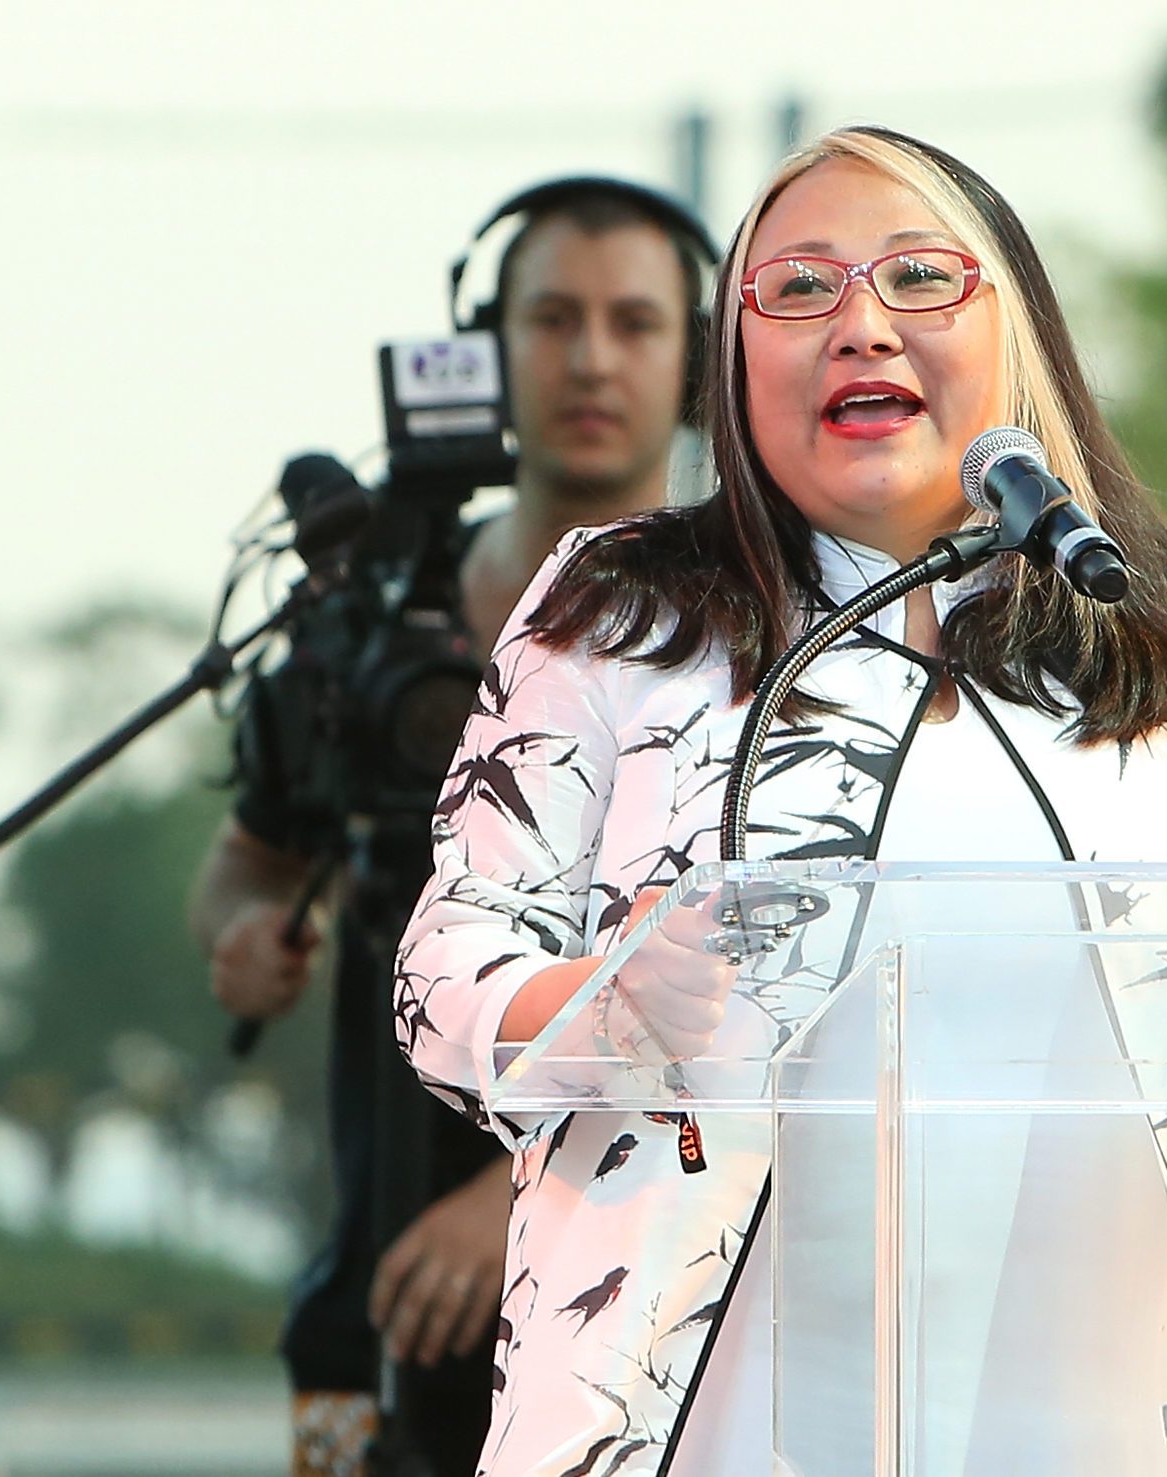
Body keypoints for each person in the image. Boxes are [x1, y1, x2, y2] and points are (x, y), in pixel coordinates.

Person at [392, 126, 1167, 1476]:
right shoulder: (618, 610)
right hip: (710, 1421)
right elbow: (445, 966)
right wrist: (605, 1006)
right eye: (798, 291)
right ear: (735, 363)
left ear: (1019, 330)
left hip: (1115, 1421)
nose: (860, 327)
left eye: (915, 278)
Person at [189, 176, 717, 1477]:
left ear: (698, 363)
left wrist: (526, 1194)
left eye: (635, 322)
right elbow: (248, 863)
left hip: (639, 1308)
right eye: (552, 318)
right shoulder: (373, 624)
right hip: (369, 1299)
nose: (590, 356)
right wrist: (244, 934)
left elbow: (758, 992)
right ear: (488, 345)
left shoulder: (745, 640)